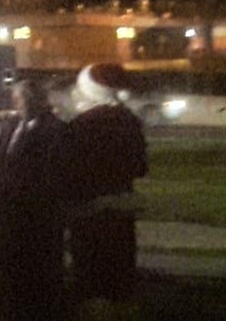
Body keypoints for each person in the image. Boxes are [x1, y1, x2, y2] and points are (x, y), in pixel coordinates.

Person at [58, 63, 148, 310]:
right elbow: (140, 167)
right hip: (121, 209)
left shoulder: (80, 125)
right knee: (120, 276)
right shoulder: (129, 121)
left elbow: (68, 170)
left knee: (91, 276)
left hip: (89, 210)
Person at [0, 79, 66, 320]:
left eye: (20, 98)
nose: (16, 103)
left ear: (35, 100)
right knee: (15, 266)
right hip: (12, 209)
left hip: (38, 211)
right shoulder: (12, 125)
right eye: (14, 99)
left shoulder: (53, 129)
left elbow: (53, 171)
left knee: (39, 267)